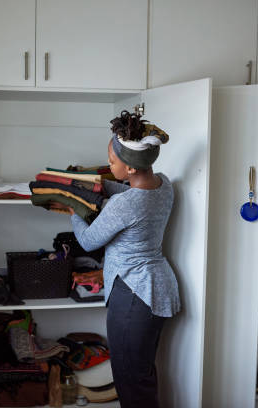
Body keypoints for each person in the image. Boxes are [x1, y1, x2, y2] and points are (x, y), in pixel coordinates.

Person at [52, 110, 180, 407]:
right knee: (141, 375)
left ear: (132, 168)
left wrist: (74, 209)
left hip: (133, 294)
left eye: (112, 162)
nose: (109, 167)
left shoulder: (125, 205)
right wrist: (95, 185)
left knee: (130, 381)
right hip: (156, 288)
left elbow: (86, 240)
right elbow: (125, 191)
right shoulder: (164, 184)